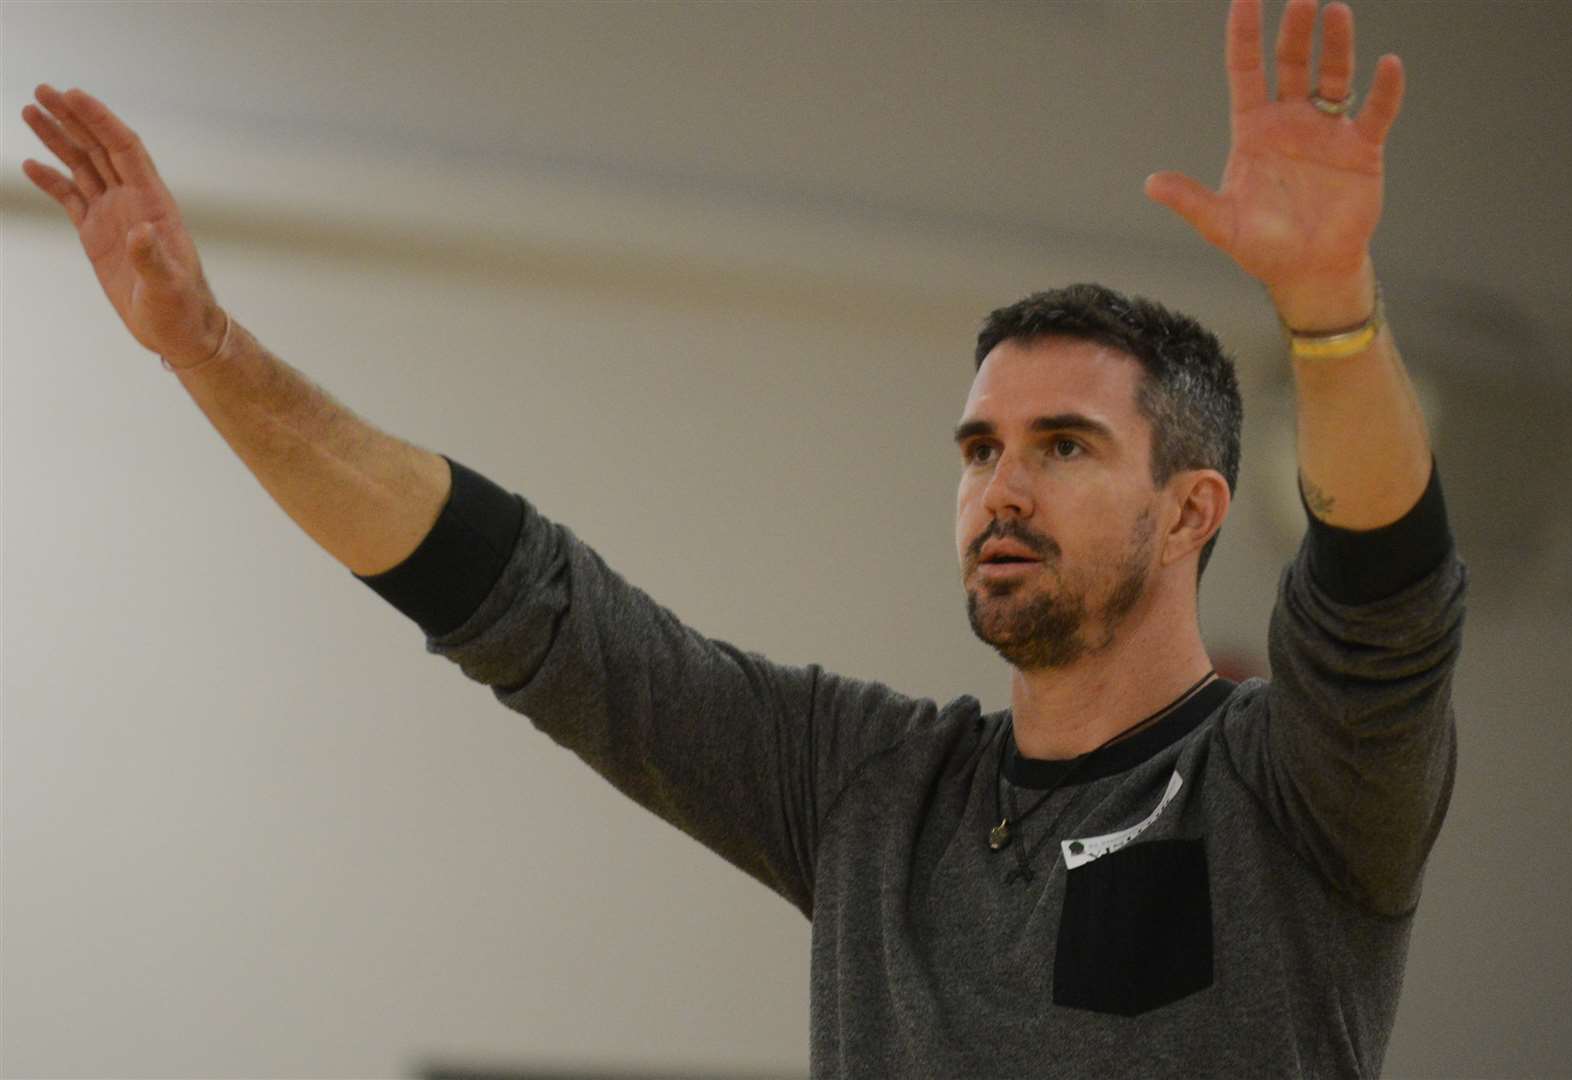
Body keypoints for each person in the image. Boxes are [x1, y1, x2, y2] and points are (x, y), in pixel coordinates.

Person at [20, 0, 1465, 1075]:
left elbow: (1385, 595)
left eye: (1064, 447)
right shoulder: (870, 792)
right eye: (978, 450)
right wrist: (208, 349)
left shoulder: (1293, 787)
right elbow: (524, 603)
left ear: (1193, 509)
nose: (999, 489)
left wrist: (1329, 310)